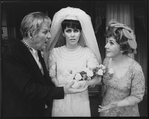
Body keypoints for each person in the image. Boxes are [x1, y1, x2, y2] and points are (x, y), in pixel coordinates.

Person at [2, 11, 88, 117]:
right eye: (45, 32)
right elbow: (28, 89)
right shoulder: (13, 53)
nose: (49, 36)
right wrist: (62, 90)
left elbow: (43, 81)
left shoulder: (37, 50)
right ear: (31, 34)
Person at [44, 7, 102, 117]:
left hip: (80, 99)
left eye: (76, 31)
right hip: (61, 99)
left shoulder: (87, 53)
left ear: (80, 32)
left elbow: (97, 78)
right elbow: (53, 77)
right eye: (68, 31)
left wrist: (84, 83)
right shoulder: (54, 53)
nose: (72, 35)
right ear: (63, 33)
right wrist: (61, 87)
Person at [98, 19, 145, 116]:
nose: (106, 46)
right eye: (107, 42)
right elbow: (103, 81)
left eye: (111, 43)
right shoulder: (106, 61)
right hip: (106, 109)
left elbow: (137, 96)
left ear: (123, 47)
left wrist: (117, 104)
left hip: (126, 112)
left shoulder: (135, 68)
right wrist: (88, 81)